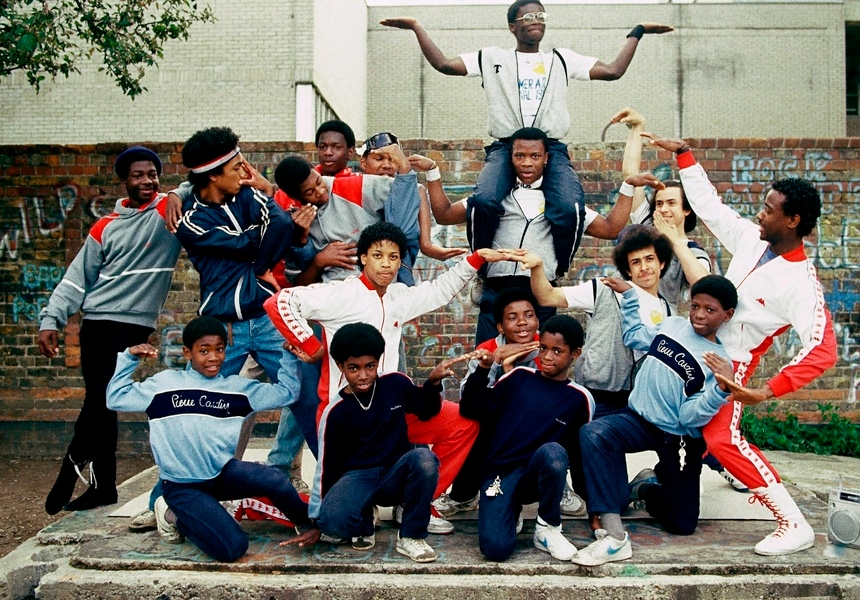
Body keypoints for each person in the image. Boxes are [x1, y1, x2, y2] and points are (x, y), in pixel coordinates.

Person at [381, 2, 672, 288]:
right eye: (527, 16)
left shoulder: (561, 58)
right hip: (506, 146)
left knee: (570, 209)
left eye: (540, 15)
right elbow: (444, 64)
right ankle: (482, 270)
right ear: (512, 26)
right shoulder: (492, 57)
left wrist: (638, 32)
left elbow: (613, 70)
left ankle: (556, 272)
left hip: (551, 148)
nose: (536, 20)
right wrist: (416, 27)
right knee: (483, 202)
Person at [643, 133, 838, 556]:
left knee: (722, 439)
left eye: (769, 209)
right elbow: (710, 207)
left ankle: (794, 523)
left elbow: (823, 349)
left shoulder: (800, 284)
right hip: (694, 352)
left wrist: (766, 390)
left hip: (729, 367)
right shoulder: (753, 239)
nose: (760, 213)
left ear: (793, 220)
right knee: (677, 423)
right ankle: (684, 479)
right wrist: (684, 155)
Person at [266, 221, 510, 534]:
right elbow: (280, 302)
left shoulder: (397, 297)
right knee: (340, 522)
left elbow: (439, 290)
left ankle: (416, 502)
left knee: (463, 423)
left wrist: (477, 258)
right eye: (378, 255)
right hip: (350, 417)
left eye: (393, 257)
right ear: (363, 258)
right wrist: (311, 346)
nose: (386, 263)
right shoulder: (340, 294)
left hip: (393, 408)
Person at [172, 126, 315, 503]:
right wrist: (259, 248)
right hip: (224, 330)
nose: (246, 173)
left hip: (267, 320)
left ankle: (333, 486)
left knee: (304, 395)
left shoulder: (249, 195)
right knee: (193, 405)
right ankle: (170, 495)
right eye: (237, 167)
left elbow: (282, 225)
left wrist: (262, 222)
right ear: (214, 175)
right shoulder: (190, 219)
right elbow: (244, 244)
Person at [39, 146, 182, 515]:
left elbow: (197, 187)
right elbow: (76, 280)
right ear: (124, 181)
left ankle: (70, 469)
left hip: (133, 325)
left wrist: (178, 194)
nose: (147, 181)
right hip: (97, 322)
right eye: (138, 175)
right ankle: (102, 487)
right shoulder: (106, 226)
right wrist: (50, 319)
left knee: (103, 399)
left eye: (153, 174)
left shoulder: (169, 212)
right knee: (102, 402)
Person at [106, 316, 319, 562]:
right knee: (232, 548)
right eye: (204, 351)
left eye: (219, 350)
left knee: (276, 479)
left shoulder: (237, 390)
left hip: (221, 474)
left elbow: (287, 394)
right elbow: (115, 398)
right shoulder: (163, 386)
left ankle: (307, 524)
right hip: (182, 486)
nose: (213, 358)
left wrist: (289, 356)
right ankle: (171, 514)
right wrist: (129, 357)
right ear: (188, 353)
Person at [573, 275, 736, 566]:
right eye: (695, 305)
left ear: (727, 315)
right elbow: (634, 336)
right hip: (639, 419)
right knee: (593, 433)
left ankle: (646, 487)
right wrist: (630, 297)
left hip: (679, 437)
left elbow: (689, 415)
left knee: (682, 523)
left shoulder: (720, 362)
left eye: (709, 310)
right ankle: (613, 534)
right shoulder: (673, 326)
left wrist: (720, 389)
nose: (698, 314)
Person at [426, 126, 636, 344]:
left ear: (546, 158)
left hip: (542, 293)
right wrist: (433, 172)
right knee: (486, 361)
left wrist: (628, 187)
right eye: (520, 156)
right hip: (497, 290)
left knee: (540, 366)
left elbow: (611, 228)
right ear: (510, 158)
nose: (527, 163)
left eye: (535, 156)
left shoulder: (561, 203)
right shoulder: (495, 198)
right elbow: (445, 215)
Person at [312, 323, 471, 562]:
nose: (363, 375)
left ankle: (411, 536)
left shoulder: (395, 383)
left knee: (424, 459)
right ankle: (363, 518)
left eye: (370, 366)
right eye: (353, 368)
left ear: (378, 362)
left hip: (394, 474)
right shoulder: (335, 412)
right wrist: (317, 518)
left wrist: (433, 383)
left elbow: (427, 409)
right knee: (332, 525)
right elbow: (327, 469)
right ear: (340, 366)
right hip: (359, 477)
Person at [459, 315, 593, 562]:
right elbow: (472, 408)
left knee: (554, 452)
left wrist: (596, 511)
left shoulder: (579, 398)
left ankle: (548, 528)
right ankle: (509, 509)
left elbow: (578, 454)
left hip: (537, 475)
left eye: (557, 351)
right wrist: (484, 369)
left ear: (575, 354)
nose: (547, 357)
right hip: (500, 473)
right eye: (543, 348)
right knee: (495, 550)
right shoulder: (518, 377)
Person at [516, 223, 673, 418]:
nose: (644, 267)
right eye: (636, 262)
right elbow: (547, 296)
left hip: (637, 403)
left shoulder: (667, 310)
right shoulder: (605, 289)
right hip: (596, 396)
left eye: (650, 259)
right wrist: (538, 267)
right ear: (628, 269)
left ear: (662, 263)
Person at [611, 108, 711, 312]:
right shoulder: (647, 226)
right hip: (627, 313)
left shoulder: (693, 251)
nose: (663, 209)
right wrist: (637, 128)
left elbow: (705, 286)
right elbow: (630, 175)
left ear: (686, 210)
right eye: (659, 203)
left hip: (661, 322)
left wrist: (675, 242)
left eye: (671, 203)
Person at [274, 145, 420, 285]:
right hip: (334, 297)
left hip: (380, 290)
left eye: (319, 181)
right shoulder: (296, 223)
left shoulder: (352, 187)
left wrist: (425, 243)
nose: (319, 191)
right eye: (309, 192)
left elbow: (414, 190)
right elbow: (299, 283)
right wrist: (316, 257)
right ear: (294, 197)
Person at [360, 131, 466, 264]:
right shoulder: (355, 187)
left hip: (400, 268)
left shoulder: (416, 190)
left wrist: (441, 253)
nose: (386, 165)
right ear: (363, 163)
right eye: (379, 159)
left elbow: (426, 246)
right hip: (361, 268)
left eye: (392, 159)